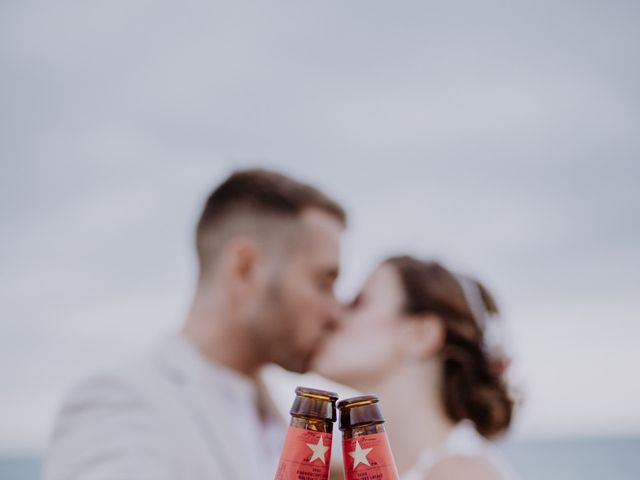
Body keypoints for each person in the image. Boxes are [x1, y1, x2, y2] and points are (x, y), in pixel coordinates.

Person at [45, 169, 347, 480]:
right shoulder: (118, 406)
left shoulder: (287, 419)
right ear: (244, 269)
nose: (336, 312)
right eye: (323, 282)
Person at [313, 256, 516, 480]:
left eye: (358, 302)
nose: (334, 315)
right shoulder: (341, 471)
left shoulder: (465, 474)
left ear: (421, 335)